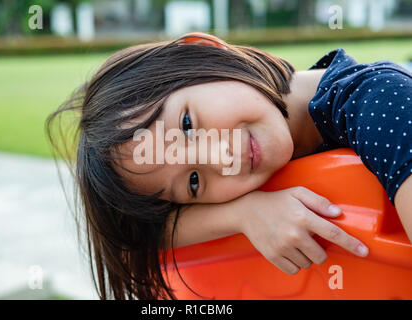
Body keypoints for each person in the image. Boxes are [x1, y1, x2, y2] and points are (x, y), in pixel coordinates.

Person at [45, 32, 412, 300]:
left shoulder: (380, 102)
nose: (221, 159)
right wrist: (243, 213)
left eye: (187, 126)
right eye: (192, 182)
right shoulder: (281, 140)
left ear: (202, 51)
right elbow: (132, 241)